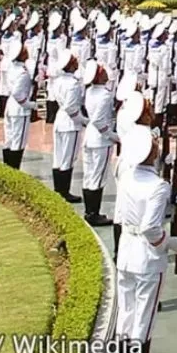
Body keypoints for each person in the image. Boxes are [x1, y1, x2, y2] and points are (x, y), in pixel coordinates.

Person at [115, 123, 177, 353]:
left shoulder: (125, 176)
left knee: (125, 320)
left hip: (126, 254)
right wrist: (169, 242)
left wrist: (170, 207)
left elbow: (126, 216)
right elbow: (150, 228)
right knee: (142, 326)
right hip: (147, 258)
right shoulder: (158, 186)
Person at [80, 59, 116, 226]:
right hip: (101, 140)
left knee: (89, 176)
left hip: (89, 137)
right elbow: (99, 121)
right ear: (100, 76)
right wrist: (113, 136)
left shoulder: (90, 91)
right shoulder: (105, 95)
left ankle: (89, 211)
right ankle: (94, 213)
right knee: (98, 178)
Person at [50, 48, 84, 201]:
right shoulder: (73, 84)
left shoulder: (58, 80)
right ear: (70, 65)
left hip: (60, 119)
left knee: (59, 157)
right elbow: (71, 108)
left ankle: (59, 190)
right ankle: (64, 192)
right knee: (68, 159)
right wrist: (83, 121)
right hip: (70, 123)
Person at [1, 39, 32, 169]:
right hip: (20, 109)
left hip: (10, 106)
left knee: (9, 139)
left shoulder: (12, 68)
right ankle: (14, 170)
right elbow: (17, 93)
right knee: (18, 142)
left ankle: (8, 169)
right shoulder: (23, 72)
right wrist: (31, 105)